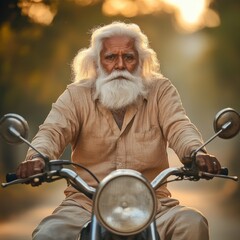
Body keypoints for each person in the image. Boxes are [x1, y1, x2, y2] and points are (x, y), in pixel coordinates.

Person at [16, 21, 221, 240]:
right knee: (48, 234)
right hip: (86, 204)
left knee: (192, 223)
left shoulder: (160, 91)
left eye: (129, 57)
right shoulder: (76, 96)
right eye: (111, 57)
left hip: (153, 204)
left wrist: (197, 153)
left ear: (141, 62)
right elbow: (52, 131)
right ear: (96, 63)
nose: (120, 65)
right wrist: (38, 157)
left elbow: (179, 126)